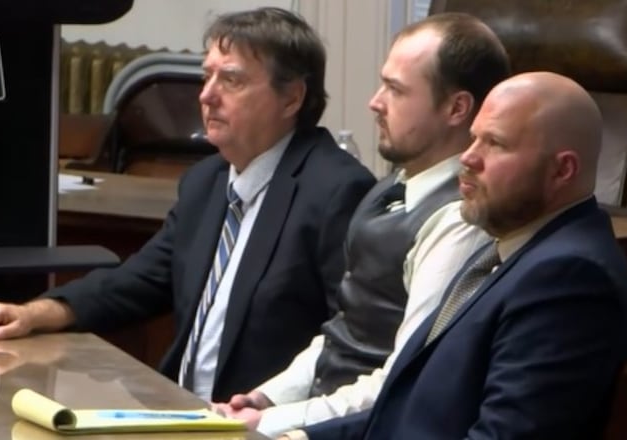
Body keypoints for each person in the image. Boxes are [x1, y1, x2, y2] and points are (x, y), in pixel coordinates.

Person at [0, 7, 376, 402]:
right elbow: (141, 280)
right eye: (207, 76)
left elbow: (350, 340)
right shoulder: (207, 182)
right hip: (179, 411)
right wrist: (37, 313)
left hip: (261, 423)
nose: (206, 95)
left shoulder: (335, 191)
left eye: (231, 80)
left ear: (291, 98)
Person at [294, 71, 627, 440]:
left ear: (562, 170)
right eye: (473, 137)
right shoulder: (512, 250)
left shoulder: (569, 280)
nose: (468, 158)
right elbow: (405, 408)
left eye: (494, 143)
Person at [218, 13, 511, 437]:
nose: (375, 101)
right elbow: (344, 329)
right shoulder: (389, 189)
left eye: (395, 89)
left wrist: (273, 422)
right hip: (320, 415)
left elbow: (403, 379)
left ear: (457, 108)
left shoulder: (460, 221)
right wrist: (271, 396)